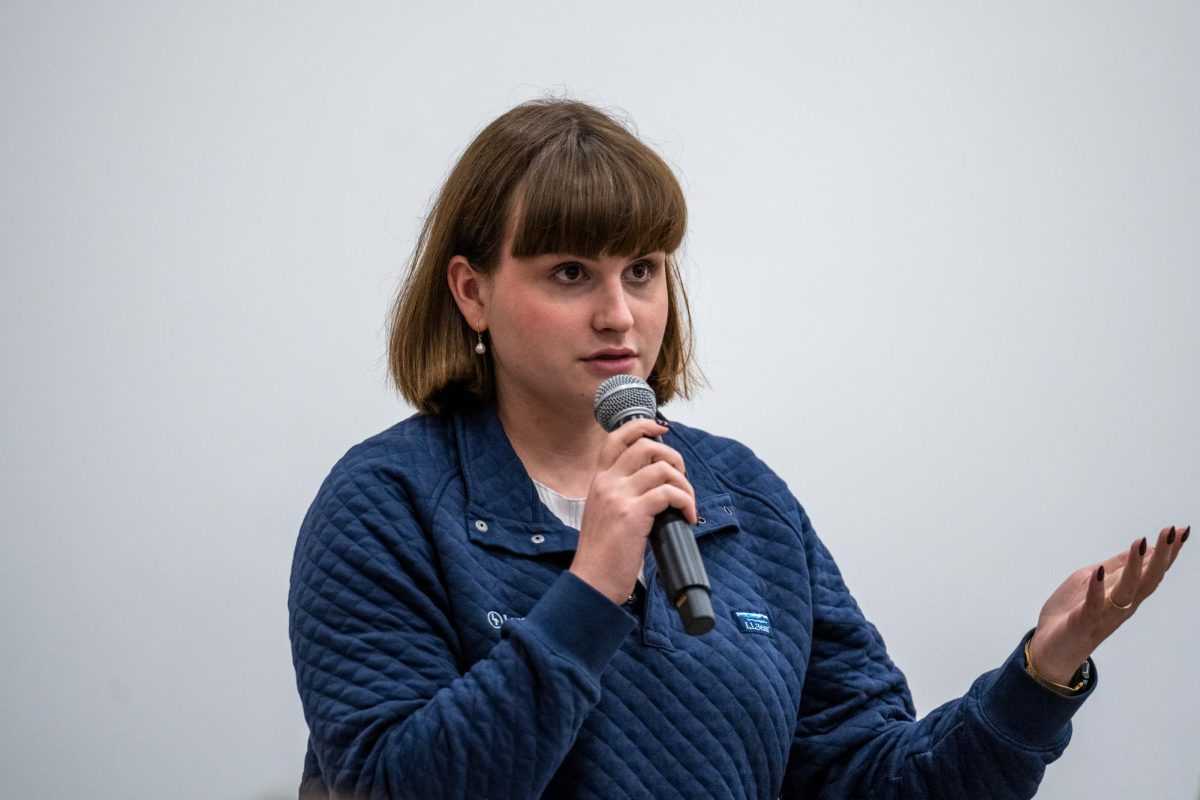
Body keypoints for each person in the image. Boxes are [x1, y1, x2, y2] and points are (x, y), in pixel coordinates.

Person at [287, 98, 1188, 800]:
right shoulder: (386, 503)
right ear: (471, 291)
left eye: (642, 270)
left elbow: (868, 777)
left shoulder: (741, 499)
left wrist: (1038, 676)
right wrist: (593, 586)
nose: (619, 313)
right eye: (570, 273)